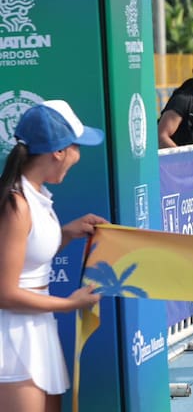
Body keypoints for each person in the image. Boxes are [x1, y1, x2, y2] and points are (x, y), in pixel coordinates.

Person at [0, 100, 108, 412]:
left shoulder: (34, 196)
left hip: (37, 332)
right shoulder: (17, 204)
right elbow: (5, 293)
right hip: (12, 340)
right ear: (58, 151)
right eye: (76, 146)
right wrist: (70, 304)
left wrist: (67, 233)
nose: (79, 155)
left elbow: (28, 254)